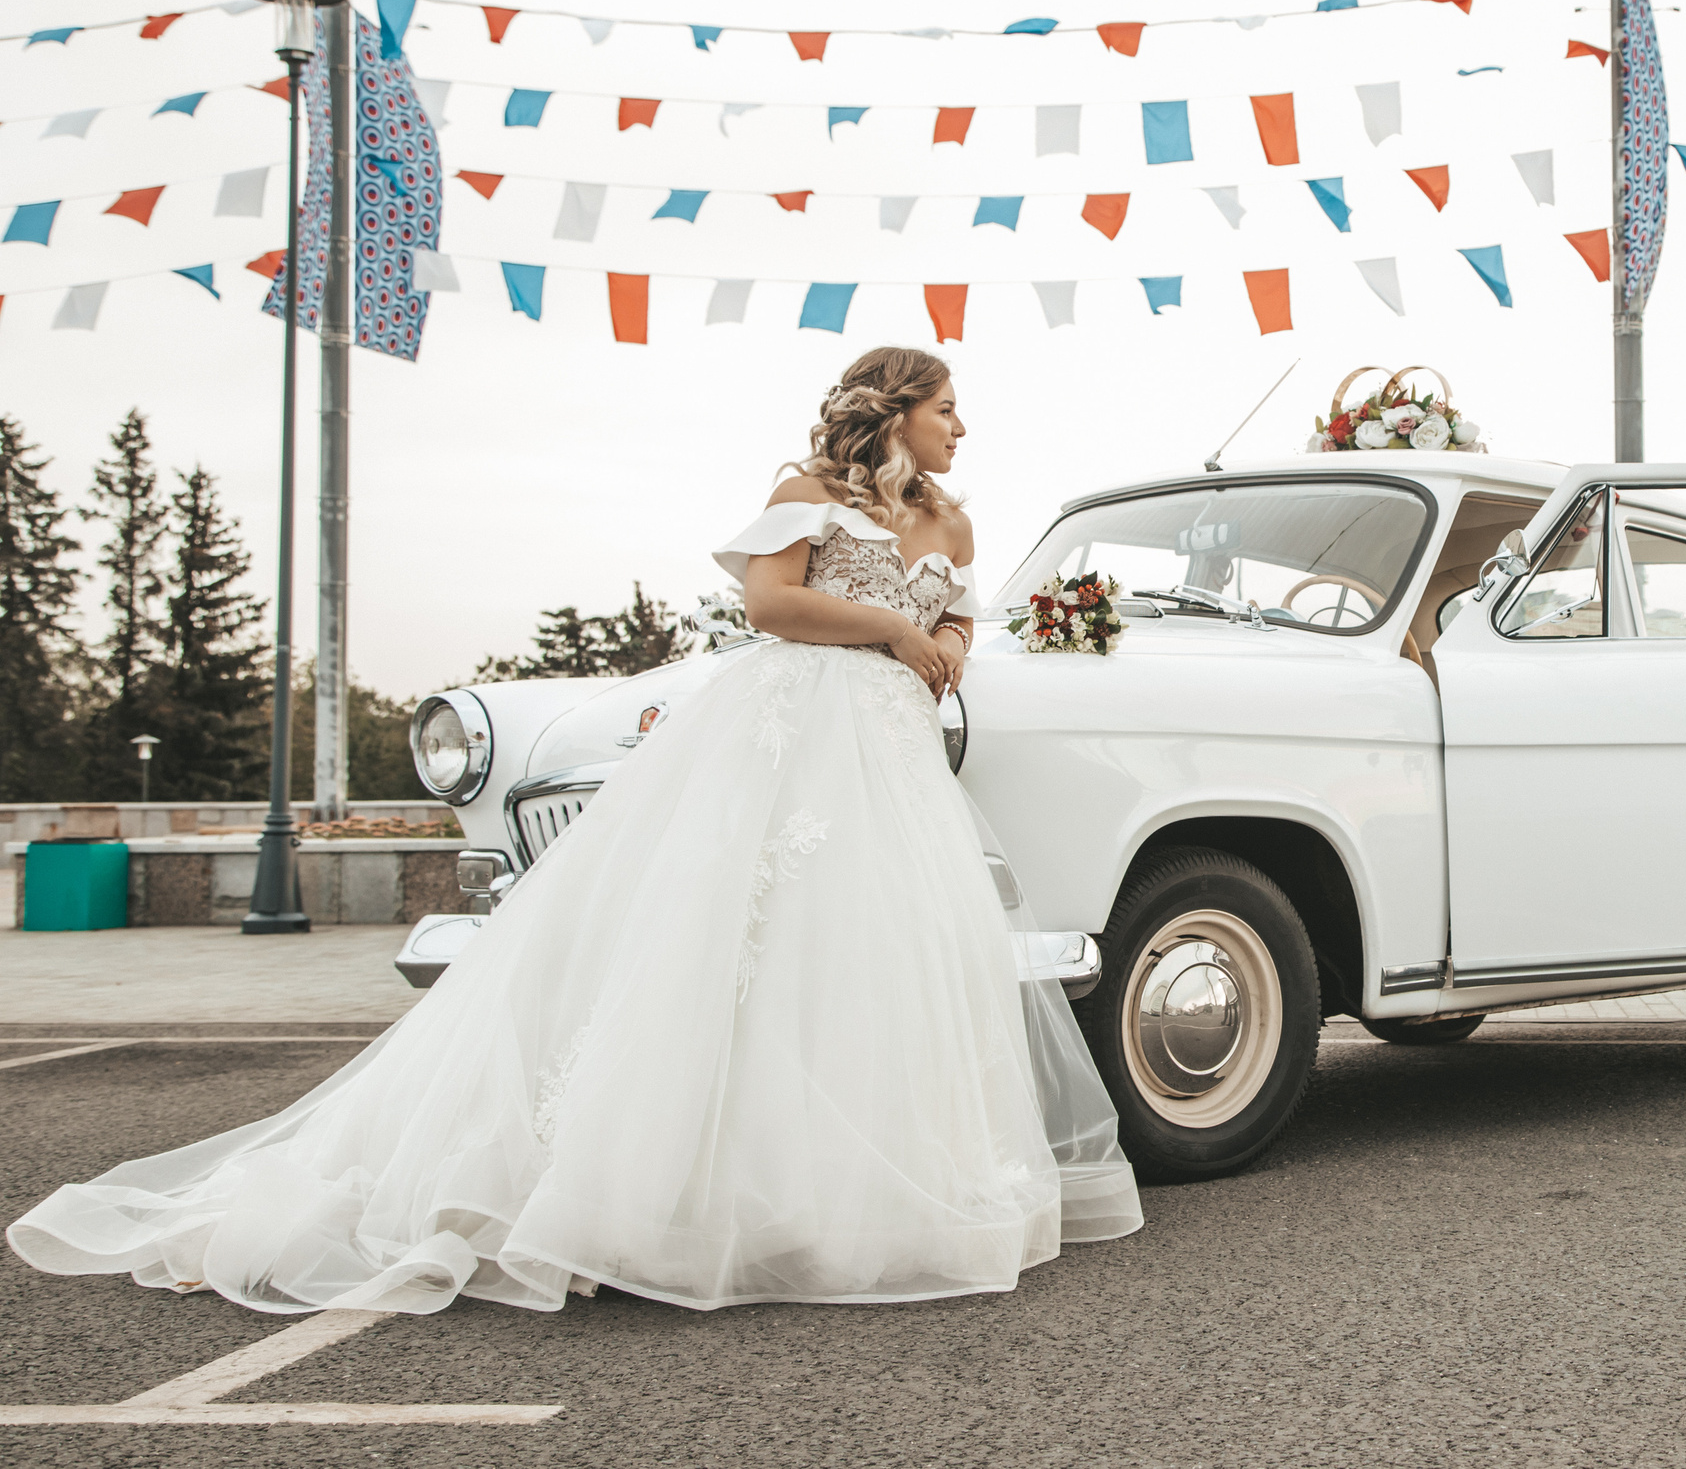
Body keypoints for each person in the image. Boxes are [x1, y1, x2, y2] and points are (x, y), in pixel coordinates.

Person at [8, 346, 1143, 1312]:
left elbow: (954, 614)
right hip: (793, 729)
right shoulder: (809, 490)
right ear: (893, 410)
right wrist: (897, 635)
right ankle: (647, 1187)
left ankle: (858, 1189)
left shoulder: (952, 516)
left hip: (890, 753)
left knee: (868, 956)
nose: (960, 428)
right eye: (945, 407)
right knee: (738, 941)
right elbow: (772, 605)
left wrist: (941, 641)